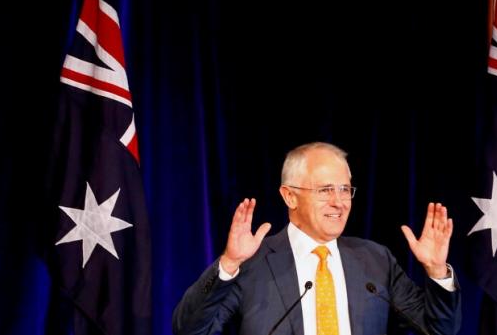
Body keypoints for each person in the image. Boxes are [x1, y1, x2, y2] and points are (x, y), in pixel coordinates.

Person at [173, 142, 461, 335]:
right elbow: (190, 330)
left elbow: (440, 330)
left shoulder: (375, 260)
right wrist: (229, 264)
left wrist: (437, 272)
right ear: (290, 196)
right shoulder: (252, 263)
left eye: (345, 189)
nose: (339, 202)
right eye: (325, 190)